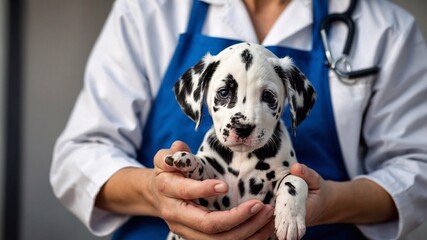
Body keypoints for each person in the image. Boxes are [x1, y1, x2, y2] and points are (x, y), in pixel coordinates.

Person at [50, 0, 427, 239]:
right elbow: (79, 156)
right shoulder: (146, 9)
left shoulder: (386, 28)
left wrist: (328, 202)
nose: (245, 118)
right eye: (225, 95)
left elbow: (417, 169)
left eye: (267, 98)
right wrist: (154, 191)